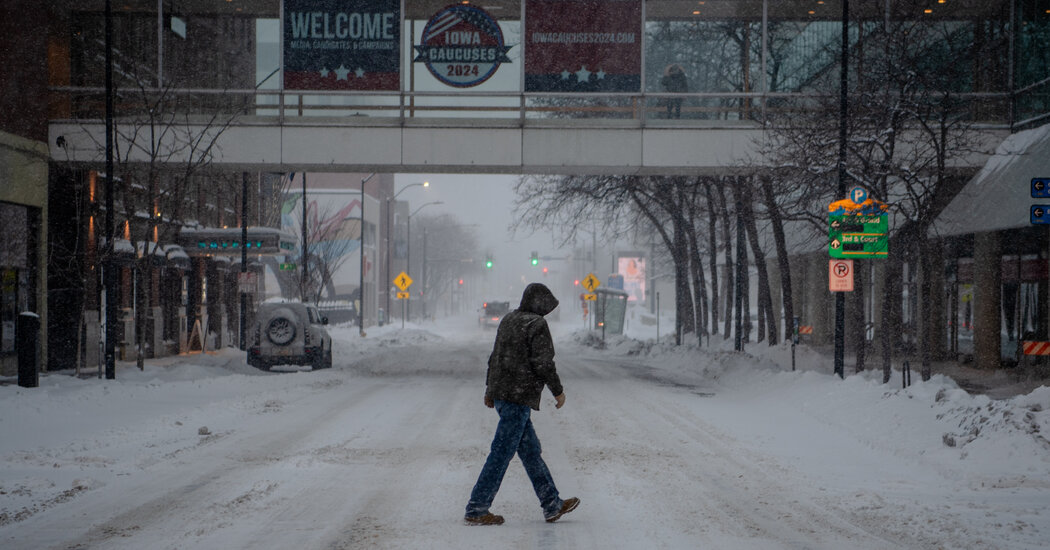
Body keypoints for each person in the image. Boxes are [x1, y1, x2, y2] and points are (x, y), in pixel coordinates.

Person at [464, 283, 580, 526]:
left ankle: (552, 504)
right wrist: (557, 391)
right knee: (501, 453)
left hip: (504, 396)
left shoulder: (509, 319)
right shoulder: (536, 324)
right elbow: (544, 363)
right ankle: (477, 508)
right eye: (546, 306)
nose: (547, 311)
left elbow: (495, 356)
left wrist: (490, 389)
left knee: (530, 451)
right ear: (539, 303)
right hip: (518, 397)